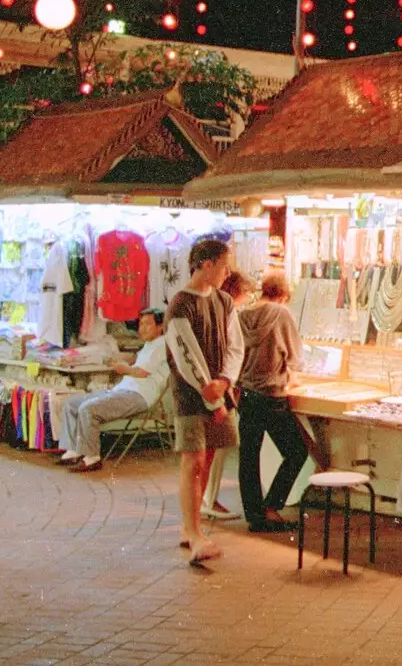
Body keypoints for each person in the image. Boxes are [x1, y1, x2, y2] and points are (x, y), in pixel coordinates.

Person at [165, 238, 243, 566]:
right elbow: (187, 357)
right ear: (207, 264)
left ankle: (190, 525)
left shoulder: (224, 301)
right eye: (224, 265)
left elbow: (235, 345)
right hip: (190, 397)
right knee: (192, 461)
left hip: (218, 393)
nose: (228, 273)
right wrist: (211, 393)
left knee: (207, 459)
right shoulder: (180, 304)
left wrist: (225, 380)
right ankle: (195, 533)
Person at [237, 271, 311, 533]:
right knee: (297, 451)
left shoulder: (242, 315)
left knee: (248, 456)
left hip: (246, 394)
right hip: (271, 395)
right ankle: (272, 506)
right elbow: (295, 357)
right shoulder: (282, 314)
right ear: (284, 295)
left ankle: (255, 516)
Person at [56, 309, 170, 473]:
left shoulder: (162, 345)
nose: (142, 328)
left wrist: (123, 368)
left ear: (160, 326)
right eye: (141, 324)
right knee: (72, 404)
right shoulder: (150, 344)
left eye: (147, 324)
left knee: (88, 409)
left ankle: (92, 458)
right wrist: (118, 359)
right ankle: (74, 451)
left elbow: (141, 372)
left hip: (140, 396)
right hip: (124, 390)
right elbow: (136, 361)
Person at [200, 270, 255, 523]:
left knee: (214, 448)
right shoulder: (227, 312)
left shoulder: (219, 310)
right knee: (217, 447)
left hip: (219, 385)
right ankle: (208, 500)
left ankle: (207, 499)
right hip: (222, 387)